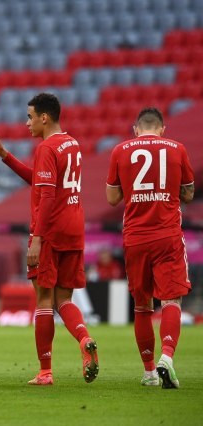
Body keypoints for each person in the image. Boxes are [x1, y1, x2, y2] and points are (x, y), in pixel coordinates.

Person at [0, 92, 99, 386]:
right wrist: (4, 154)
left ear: (44, 117)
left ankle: (45, 371)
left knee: (44, 300)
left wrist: (37, 239)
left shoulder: (47, 147)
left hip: (51, 231)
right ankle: (85, 339)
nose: (27, 123)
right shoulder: (72, 144)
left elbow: (46, 196)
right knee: (64, 300)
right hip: (74, 228)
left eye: (30, 117)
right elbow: (41, 181)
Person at [106, 107, 195, 389]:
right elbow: (189, 193)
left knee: (142, 306)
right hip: (167, 235)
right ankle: (166, 357)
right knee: (171, 300)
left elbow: (111, 198)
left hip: (135, 237)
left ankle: (148, 372)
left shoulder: (119, 150)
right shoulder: (177, 148)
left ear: (136, 129)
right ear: (162, 129)